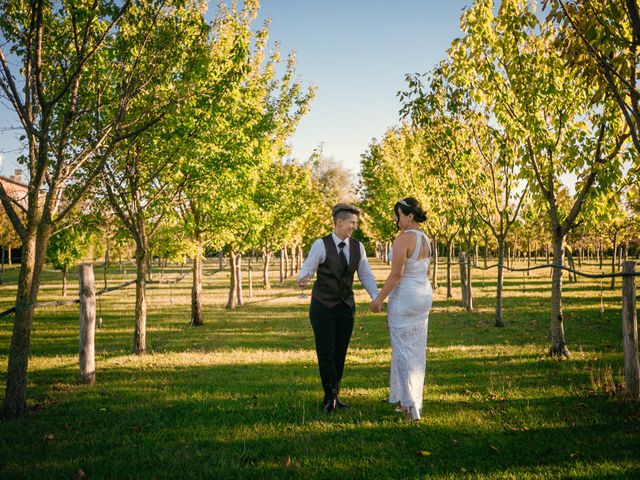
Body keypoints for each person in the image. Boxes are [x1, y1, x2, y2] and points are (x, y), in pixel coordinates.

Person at [297, 203, 379, 413]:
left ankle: (335, 394)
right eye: (351, 222)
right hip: (323, 307)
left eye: (355, 223)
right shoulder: (321, 244)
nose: (354, 227)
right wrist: (303, 278)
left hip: (346, 307)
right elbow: (308, 268)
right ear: (339, 222)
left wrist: (376, 296)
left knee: (340, 353)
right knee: (326, 352)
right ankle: (329, 396)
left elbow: (365, 274)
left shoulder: (357, 247)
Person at [369, 197, 432, 421]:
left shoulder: (403, 239)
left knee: (403, 352)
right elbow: (425, 272)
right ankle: (408, 402)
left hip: (405, 299)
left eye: (398, 216)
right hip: (423, 296)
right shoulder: (426, 239)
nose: (396, 220)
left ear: (410, 216)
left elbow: (397, 274)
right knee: (416, 350)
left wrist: (378, 300)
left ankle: (411, 407)